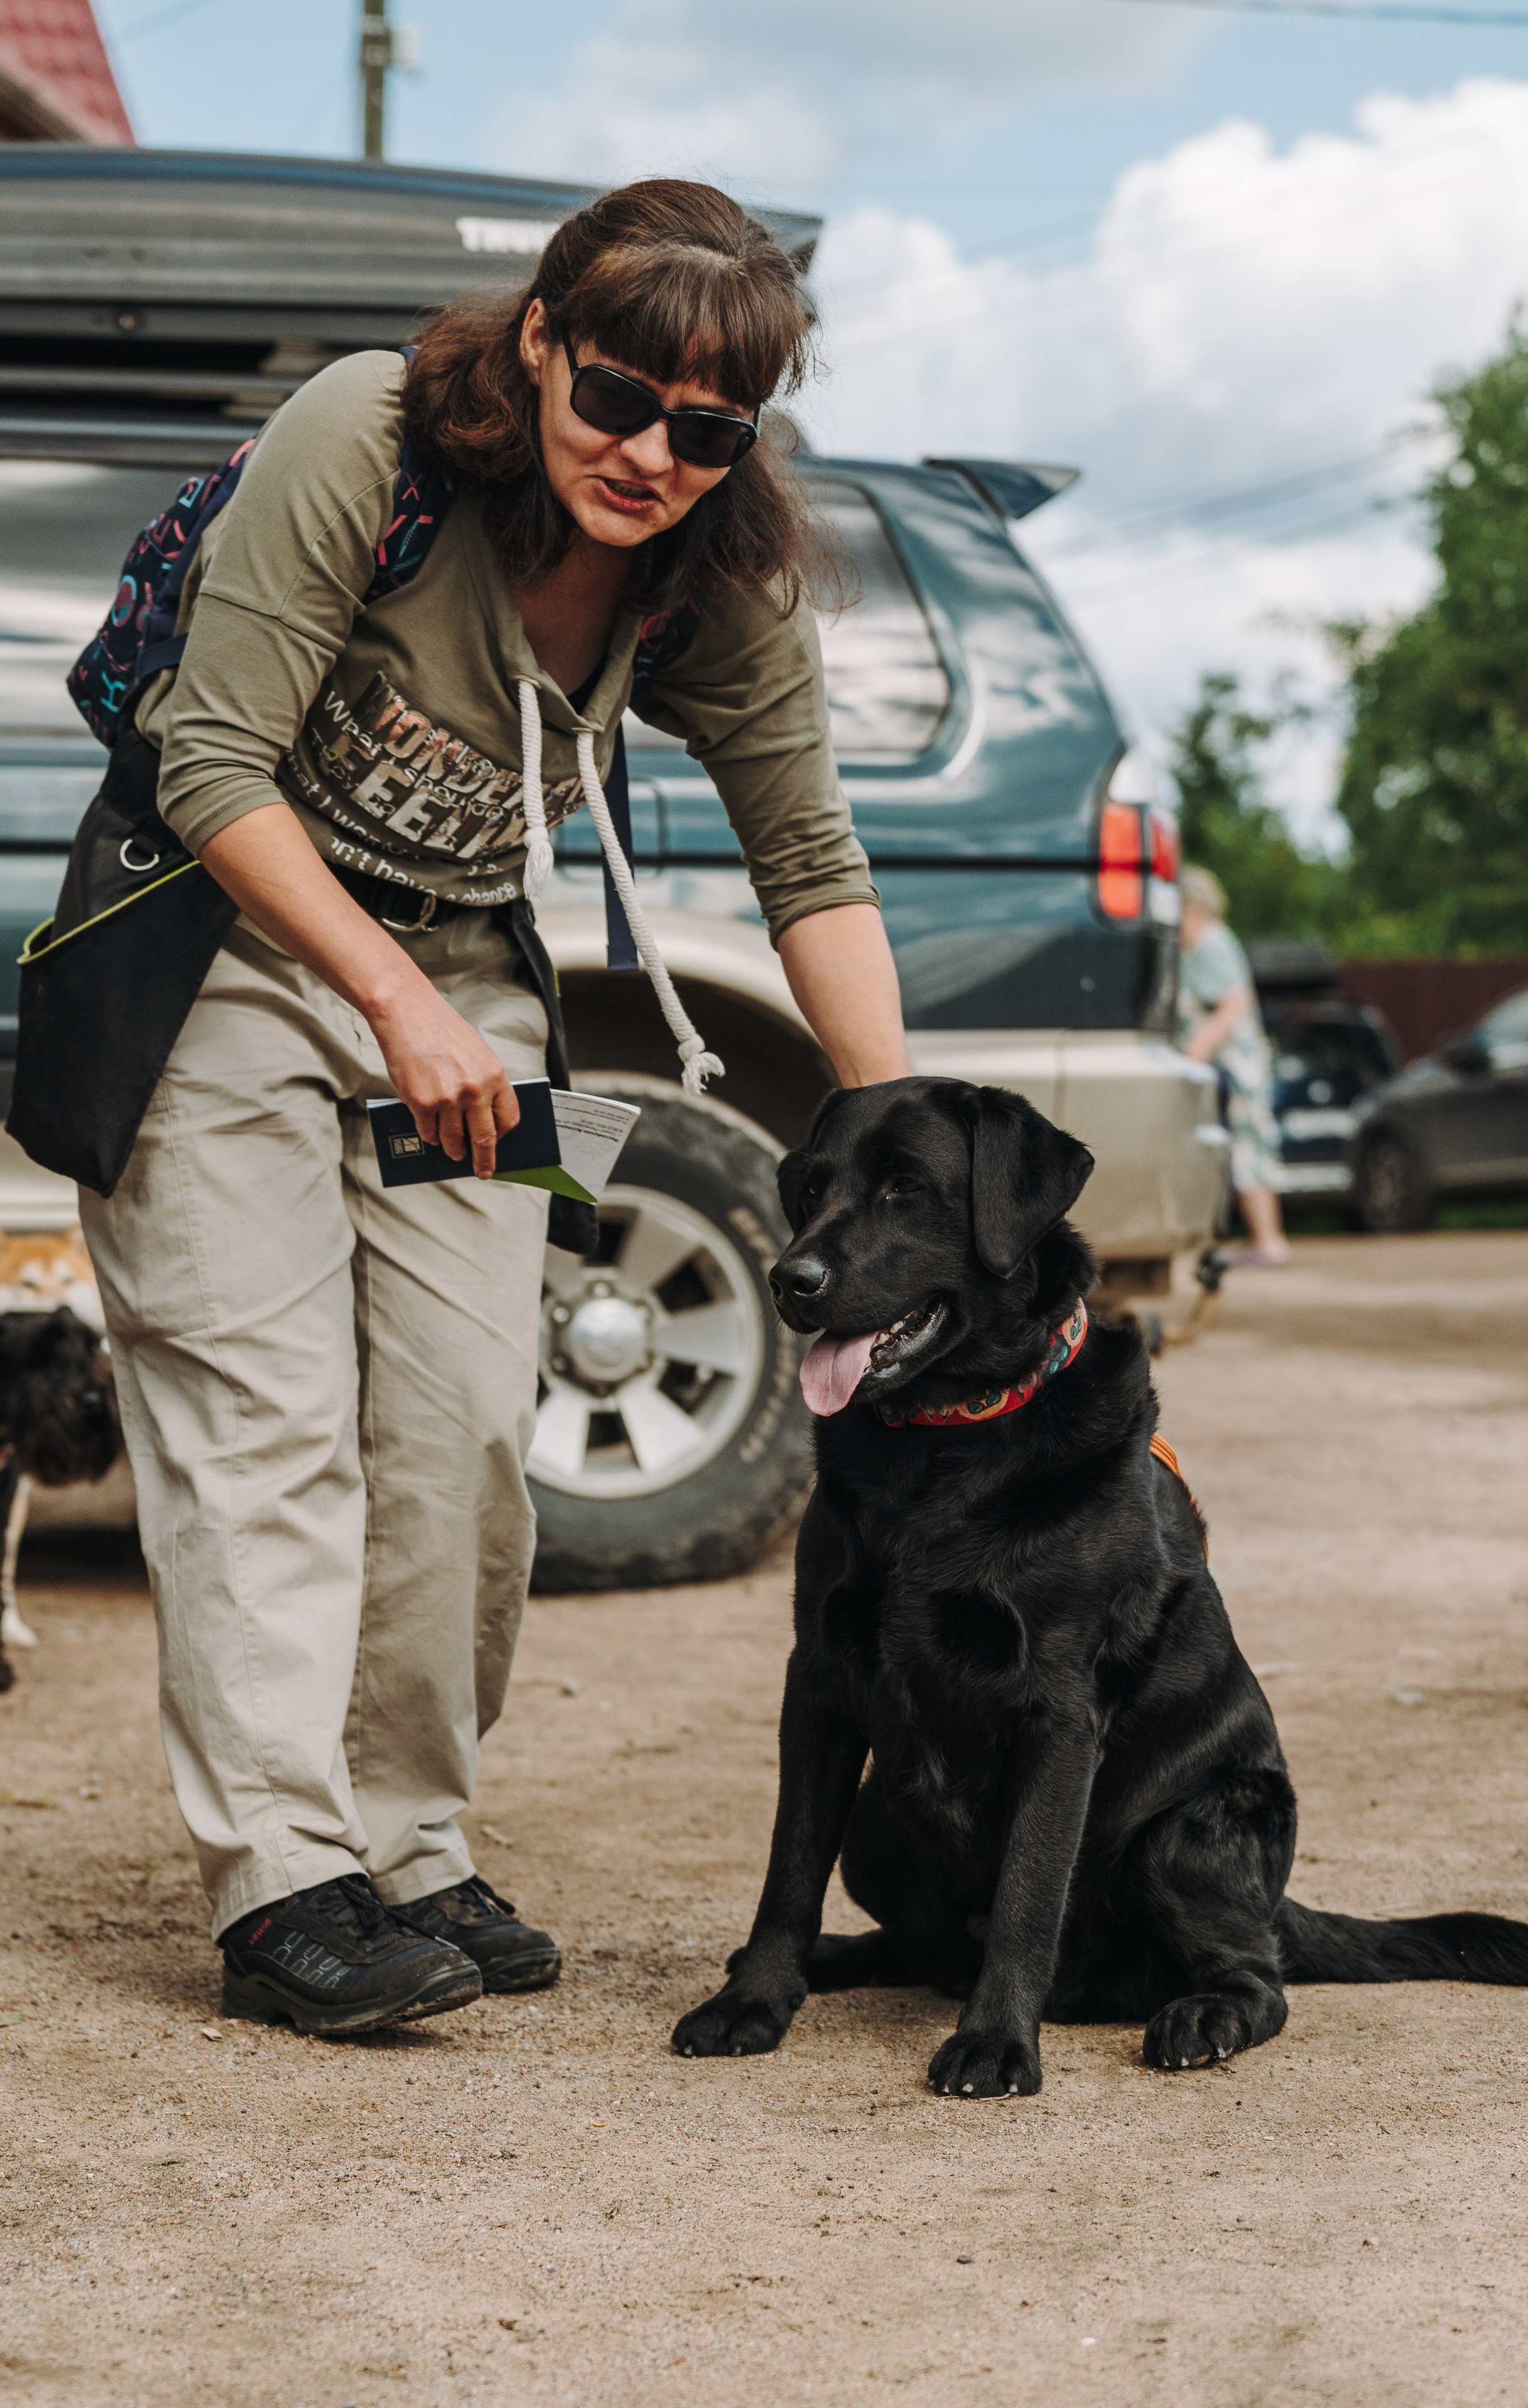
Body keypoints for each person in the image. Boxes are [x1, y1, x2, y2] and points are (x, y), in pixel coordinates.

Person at [74, 181, 911, 2037]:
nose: (650, 456)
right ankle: (288, 1875)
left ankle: (409, 1834)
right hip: (225, 945)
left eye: (707, 430)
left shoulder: (712, 567)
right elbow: (210, 757)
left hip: (463, 977)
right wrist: (381, 997)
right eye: (617, 397)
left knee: (461, 1428)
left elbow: (812, 862)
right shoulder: (367, 433)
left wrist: (921, 1153)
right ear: (539, 339)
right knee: (263, 1417)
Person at [1177, 866, 1291, 1268]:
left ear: (1190, 909)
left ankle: (1269, 1241)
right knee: (1248, 1146)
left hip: (1237, 1071)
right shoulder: (1214, 944)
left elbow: (1232, 1004)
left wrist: (1197, 1049)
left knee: (1248, 1148)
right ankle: (1267, 1239)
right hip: (1237, 1070)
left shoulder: (1211, 945)